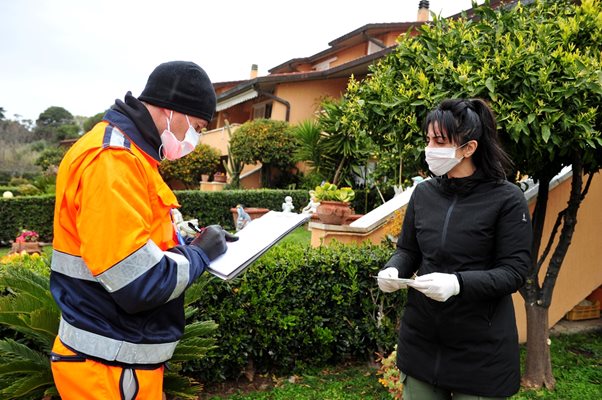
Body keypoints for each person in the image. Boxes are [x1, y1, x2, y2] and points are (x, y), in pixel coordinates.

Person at [49, 61, 238, 400]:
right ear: (171, 111)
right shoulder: (112, 160)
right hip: (107, 367)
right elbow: (138, 282)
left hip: (117, 362)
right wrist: (199, 254)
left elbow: (138, 245)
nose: (193, 138)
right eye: (196, 126)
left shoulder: (133, 156)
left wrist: (189, 242)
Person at [377, 98, 532, 399]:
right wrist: (394, 268)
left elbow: (514, 272)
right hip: (422, 343)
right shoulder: (424, 194)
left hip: (480, 354)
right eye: (428, 139)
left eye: (440, 141)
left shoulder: (507, 199)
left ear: (469, 148)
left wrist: (458, 283)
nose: (430, 148)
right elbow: (408, 250)